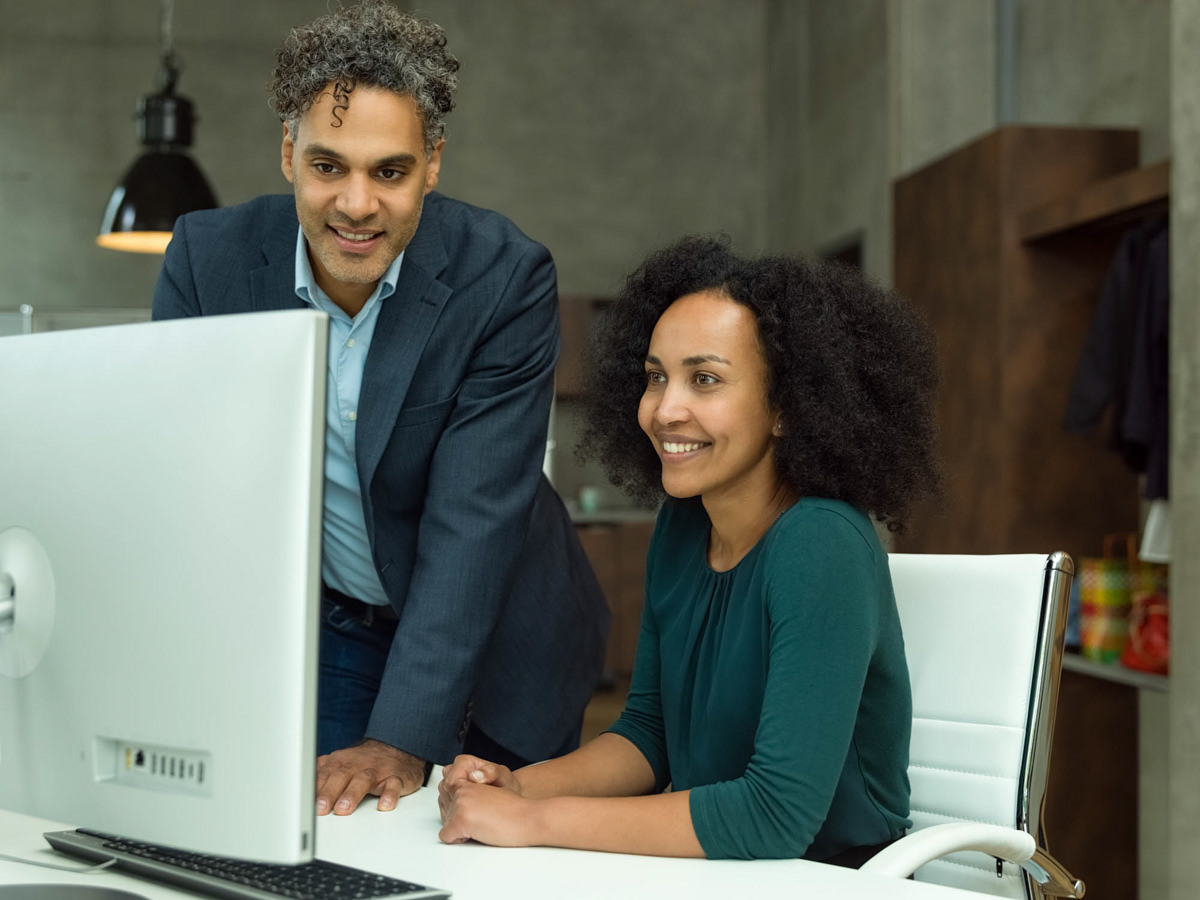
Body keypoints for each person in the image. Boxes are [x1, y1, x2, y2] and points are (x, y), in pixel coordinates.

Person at [151, 0, 609, 817]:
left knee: (484, 852)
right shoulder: (206, 264)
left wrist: (401, 738)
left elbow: (471, 528)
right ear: (288, 152)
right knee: (331, 834)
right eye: (328, 166)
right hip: (340, 626)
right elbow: (188, 488)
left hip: (508, 634)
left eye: (389, 172)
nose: (357, 204)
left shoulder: (503, 278)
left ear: (432, 164)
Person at [437, 236, 942, 862]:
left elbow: (774, 817)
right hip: (720, 871)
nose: (665, 409)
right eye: (656, 378)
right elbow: (650, 737)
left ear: (786, 408)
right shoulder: (682, 527)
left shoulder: (821, 544)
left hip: (832, 877)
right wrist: (516, 783)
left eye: (705, 379)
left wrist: (531, 819)